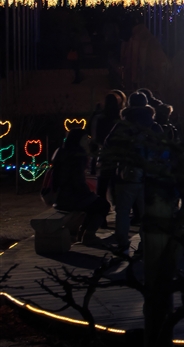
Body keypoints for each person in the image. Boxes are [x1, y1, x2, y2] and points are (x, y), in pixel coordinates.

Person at [103, 92, 162, 253]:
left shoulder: (122, 125)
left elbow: (108, 144)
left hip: (125, 173)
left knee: (122, 211)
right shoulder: (153, 126)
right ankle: (145, 244)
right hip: (149, 176)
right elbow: (163, 149)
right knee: (146, 213)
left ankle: (122, 243)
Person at [50, 128, 110, 245]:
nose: (87, 141)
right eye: (85, 139)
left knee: (94, 204)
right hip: (71, 197)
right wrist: (88, 194)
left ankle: (83, 233)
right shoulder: (77, 155)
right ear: (78, 140)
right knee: (103, 205)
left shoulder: (62, 151)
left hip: (60, 196)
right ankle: (89, 235)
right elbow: (77, 181)